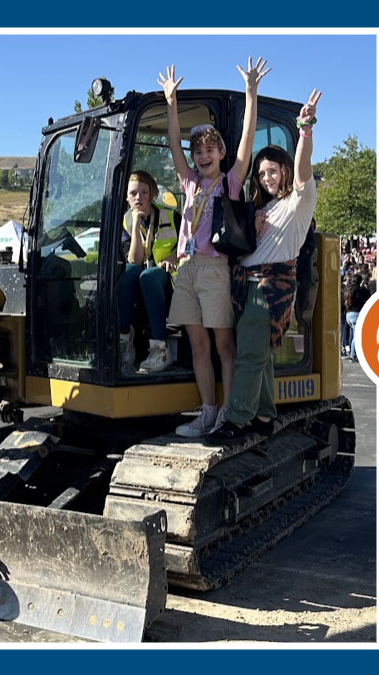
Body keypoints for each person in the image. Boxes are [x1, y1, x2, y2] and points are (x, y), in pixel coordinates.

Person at [158, 59, 268, 436]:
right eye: (197, 151)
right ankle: (206, 412)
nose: (202, 155)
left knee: (224, 345)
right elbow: (173, 142)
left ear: (220, 152)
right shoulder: (189, 183)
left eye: (209, 149)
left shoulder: (231, 183)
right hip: (186, 271)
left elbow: (248, 139)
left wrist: (251, 93)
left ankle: (228, 412)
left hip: (214, 270)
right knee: (198, 345)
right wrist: (170, 102)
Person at [208, 89, 322, 442]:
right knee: (259, 353)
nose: (267, 178)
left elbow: (303, 167)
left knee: (252, 353)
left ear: (284, 170)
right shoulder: (263, 209)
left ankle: (237, 418)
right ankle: (262, 414)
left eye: (273, 171)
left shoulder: (298, 201)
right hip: (246, 282)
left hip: (270, 286)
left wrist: (304, 129)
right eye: (262, 173)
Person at [116, 170, 180, 375]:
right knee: (127, 273)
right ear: (126, 197)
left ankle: (160, 349)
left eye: (144, 193)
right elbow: (134, 260)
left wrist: (174, 257)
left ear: (152, 194)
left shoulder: (171, 217)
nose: (138, 198)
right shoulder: (126, 222)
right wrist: (135, 226)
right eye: (133, 193)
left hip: (167, 282)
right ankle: (124, 340)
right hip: (141, 287)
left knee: (149, 276)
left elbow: (191, 246)